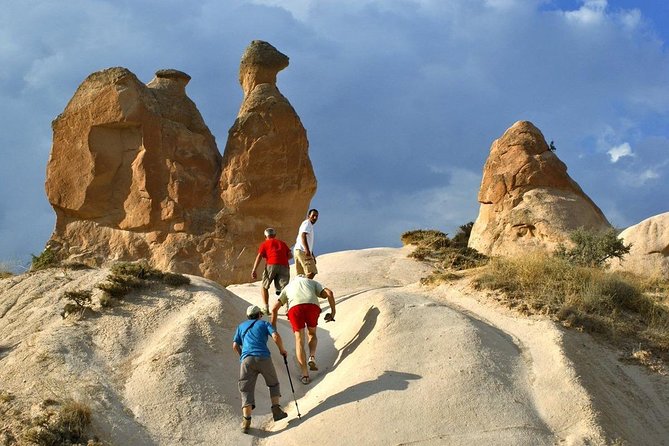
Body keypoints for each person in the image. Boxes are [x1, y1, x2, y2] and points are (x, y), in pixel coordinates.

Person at [232, 305, 289, 434]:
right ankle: (276, 410)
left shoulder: (241, 326)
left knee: (246, 388)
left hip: (247, 360)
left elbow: (235, 345)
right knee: (273, 383)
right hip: (263, 357)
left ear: (248, 316)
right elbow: (275, 336)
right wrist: (282, 350)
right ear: (259, 315)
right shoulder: (263, 323)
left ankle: (246, 421)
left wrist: (242, 356)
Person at [270, 275, 336, 385]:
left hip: (294, 309)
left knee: (299, 339)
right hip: (312, 306)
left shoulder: (288, 287)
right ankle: (312, 356)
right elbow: (329, 293)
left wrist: (273, 328)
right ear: (304, 278)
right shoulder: (311, 282)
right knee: (312, 333)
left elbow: (274, 309)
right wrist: (333, 312)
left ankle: (305, 375)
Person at [251, 228, 292, 315]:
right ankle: (289, 309)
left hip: (271, 264)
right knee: (285, 288)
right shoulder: (282, 243)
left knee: (264, 286)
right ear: (274, 235)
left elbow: (259, 256)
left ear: (265, 236)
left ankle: (266, 308)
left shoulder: (265, 244)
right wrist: (282, 259)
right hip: (284, 266)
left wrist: (254, 270)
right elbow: (290, 255)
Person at [294, 209, 319, 279]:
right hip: (302, 250)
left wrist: (312, 254)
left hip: (298, 250)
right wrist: (307, 250)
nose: (315, 218)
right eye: (313, 215)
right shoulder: (307, 223)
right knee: (312, 271)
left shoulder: (307, 224)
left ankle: (299, 288)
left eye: (316, 216)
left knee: (300, 275)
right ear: (308, 216)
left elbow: (307, 240)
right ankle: (305, 287)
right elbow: (303, 235)